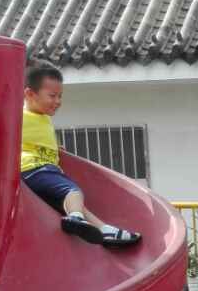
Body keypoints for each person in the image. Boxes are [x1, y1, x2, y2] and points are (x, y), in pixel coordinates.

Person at [21, 60, 140, 248]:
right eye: (52, 96)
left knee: (75, 204)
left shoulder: (42, 118)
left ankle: (104, 230)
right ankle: (75, 218)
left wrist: (55, 149)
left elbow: (35, 139)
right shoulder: (20, 117)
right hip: (34, 169)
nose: (58, 101)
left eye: (60, 96)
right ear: (29, 94)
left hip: (41, 171)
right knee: (73, 192)